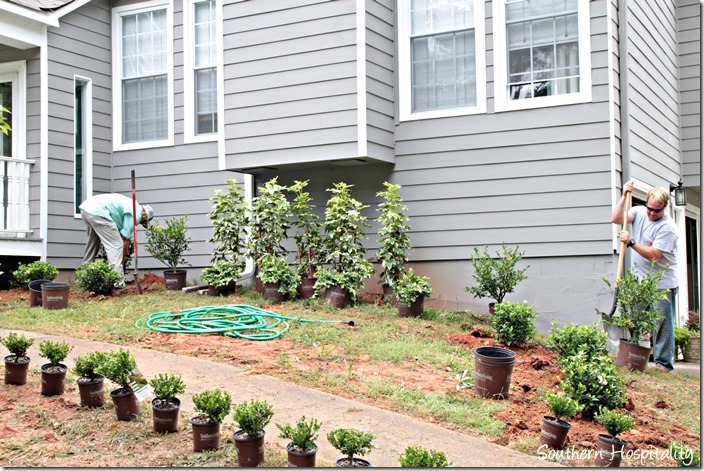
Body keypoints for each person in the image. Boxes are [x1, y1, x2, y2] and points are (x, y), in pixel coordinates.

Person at [611, 181, 678, 371]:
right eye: (649, 208)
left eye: (656, 211)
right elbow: (616, 218)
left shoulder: (668, 227)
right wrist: (624, 195)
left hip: (662, 283)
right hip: (640, 281)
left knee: (661, 324)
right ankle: (633, 360)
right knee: (635, 319)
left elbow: (655, 255)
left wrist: (631, 241)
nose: (651, 214)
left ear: (664, 207)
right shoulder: (639, 212)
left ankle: (664, 364)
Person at [79, 193, 154, 288]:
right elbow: (124, 238)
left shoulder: (132, 204)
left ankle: (85, 277)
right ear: (144, 215)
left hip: (87, 208)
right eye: (143, 221)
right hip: (99, 212)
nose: (139, 223)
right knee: (116, 245)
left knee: (93, 243)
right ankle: (117, 282)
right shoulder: (136, 214)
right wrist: (122, 260)